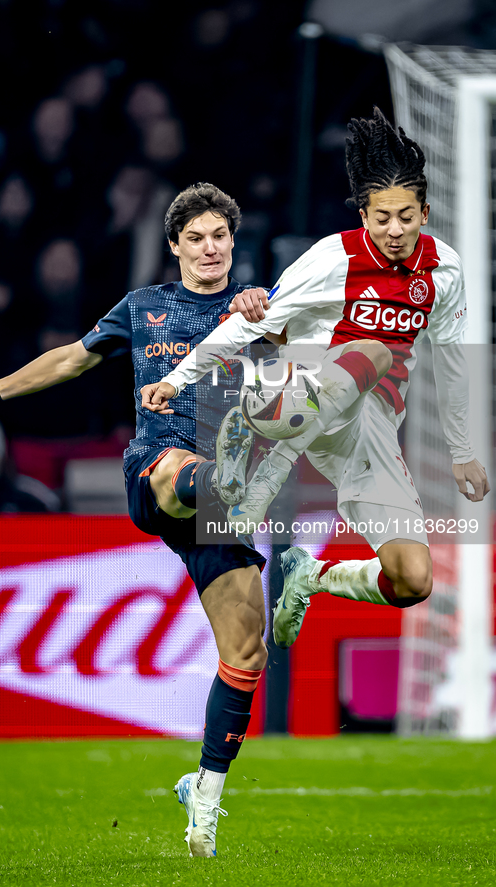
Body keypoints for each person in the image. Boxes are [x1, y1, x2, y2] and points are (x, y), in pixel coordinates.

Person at [0, 183, 272, 859]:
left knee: (246, 652)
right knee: (191, 469)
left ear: (233, 242)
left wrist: (270, 314)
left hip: (219, 504)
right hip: (160, 470)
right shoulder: (145, 308)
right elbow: (69, 359)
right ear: (173, 246)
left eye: (219, 236)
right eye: (194, 236)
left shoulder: (259, 309)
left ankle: (201, 791)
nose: (208, 247)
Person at [141, 109, 490, 649]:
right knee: (374, 349)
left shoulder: (444, 269)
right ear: (364, 215)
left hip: (366, 427)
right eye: (381, 218)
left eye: (405, 216)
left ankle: (311, 576)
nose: (394, 230)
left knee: (411, 579)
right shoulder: (333, 256)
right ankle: (260, 479)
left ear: (424, 211)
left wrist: (463, 450)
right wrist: (179, 379)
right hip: (291, 388)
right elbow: (252, 323)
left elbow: (452, 362)